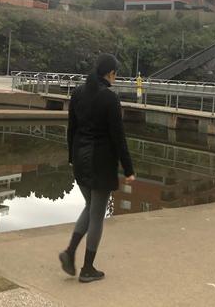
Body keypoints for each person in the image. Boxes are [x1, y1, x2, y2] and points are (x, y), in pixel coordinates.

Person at [59, 53, 135, 283]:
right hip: (100, 162)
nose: (115, 77)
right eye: (115, 73)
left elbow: (71, 129)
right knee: (97, 214)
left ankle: (70, 252)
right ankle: (87, 269)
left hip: (80, 159)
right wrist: (129, 169)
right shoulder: (109, 98)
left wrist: (71, 156)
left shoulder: (79, 93)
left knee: (91, 206)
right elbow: (118, 137)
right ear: (110, 73)